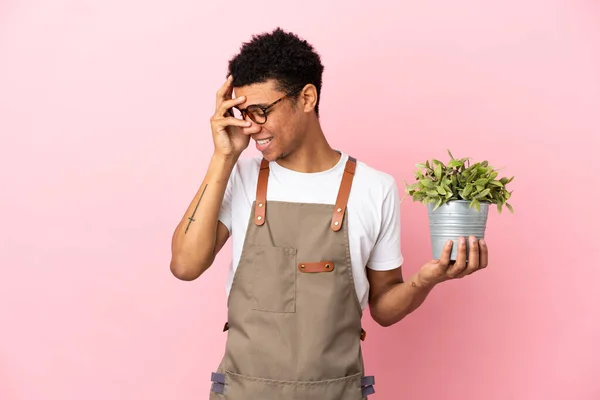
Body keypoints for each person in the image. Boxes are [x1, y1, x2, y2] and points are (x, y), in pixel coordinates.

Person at [169, 28, 489, 399]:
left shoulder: (374, 188)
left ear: (306, 97)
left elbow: (384, 308)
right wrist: (223, 156)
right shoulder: (239, 176)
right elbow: (185, 266)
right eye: (242, 113)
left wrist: (426, 279)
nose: (251, 126)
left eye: (261, 111)